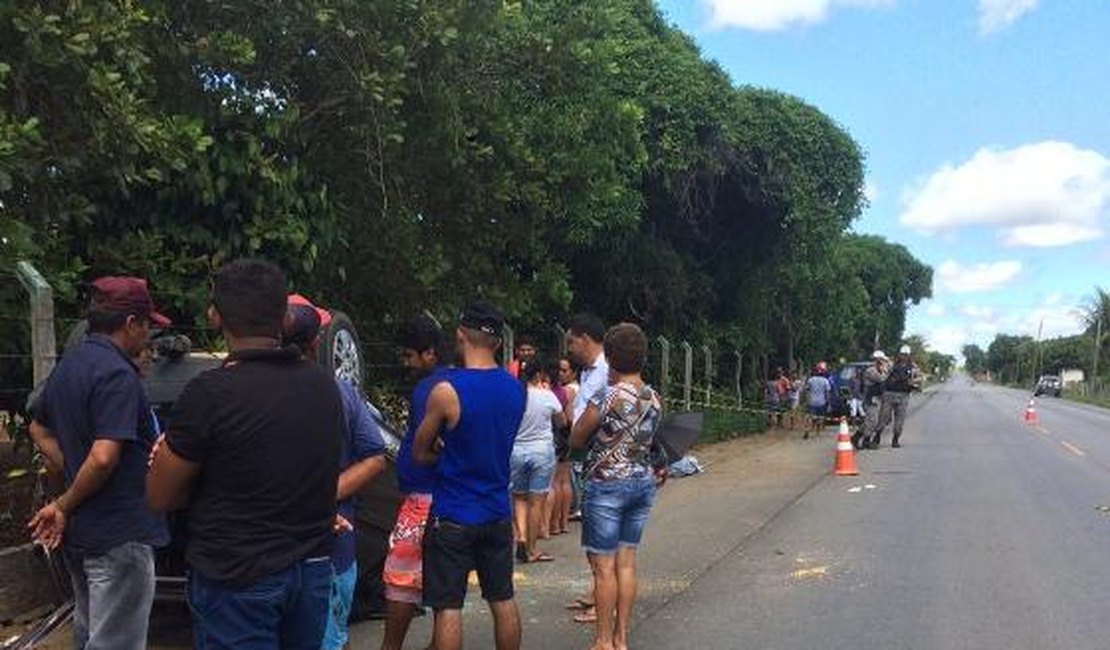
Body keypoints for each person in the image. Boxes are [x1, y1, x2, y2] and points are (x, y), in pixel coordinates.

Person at [147, 259, 345, 649]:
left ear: (214, 316)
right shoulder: (323, 387)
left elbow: (160, 495)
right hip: (310, 571)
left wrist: (176, 460)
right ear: (285, 317)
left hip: (237, 576)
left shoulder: (209, 394)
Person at [26, 276, 171, 650]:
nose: (148, 336)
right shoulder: (118, 375)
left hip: (84, 534)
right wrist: (64, 502)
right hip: (120, 534)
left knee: (91, 635)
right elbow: (105, 457)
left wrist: (72, 473)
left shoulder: (70, 366)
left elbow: (38, 428)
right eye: (147, 325)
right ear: (130, 324)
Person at [412, 300, 527, 650]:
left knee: (448, 607)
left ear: (460, 334)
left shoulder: (446, 391)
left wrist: (444, 454)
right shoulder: (516, 389)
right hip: (496, 510)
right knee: (502, 599)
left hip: (454, 512)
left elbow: (419, 452)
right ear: (496, 343)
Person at [282, 296, 387, 650]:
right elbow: (375, 457)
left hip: (261, 549)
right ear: (317, 341)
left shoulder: (235, 390)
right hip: (331, 542)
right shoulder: (341, 394)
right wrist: (326, 497)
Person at [570, 323, 665, 650]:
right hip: (642, 483)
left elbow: (577, 436)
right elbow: (650, 442)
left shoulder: (606, 395)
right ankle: (622, 639)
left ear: (609, 357)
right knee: (626, 562)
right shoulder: (654, 398)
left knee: (603, 567)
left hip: (607, 484)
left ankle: (602, 641)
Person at [380, 315, 450, 650]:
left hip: (423, 499)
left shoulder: (429, 390)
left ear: (430, 353)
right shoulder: (452, 383)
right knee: (440, 584)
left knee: (401, 578)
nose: (406, 363)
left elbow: (437, 444)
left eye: (410, 355)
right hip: (442, 498)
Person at [563, 313, 610, 624]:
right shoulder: (588, 372)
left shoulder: (606, 371)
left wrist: (575, 439)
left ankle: (604, 604)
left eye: (571, 341)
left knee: (602, 542)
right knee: (593, 536)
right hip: (587, 458)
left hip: (597, 456)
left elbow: (595, 419)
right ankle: (597, 593)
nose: (568, 348)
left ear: (585, 338)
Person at [511, 360, 566, 563]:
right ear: (538, 376)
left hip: (516, 450)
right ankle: (532, 549)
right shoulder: (547, 395)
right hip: (542, 451)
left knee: (518, 497)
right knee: (536, 502)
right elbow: (562, 421)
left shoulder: (516, 396)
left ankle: (522, 537)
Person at [545, 357, 578, 537]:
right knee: (565, 482)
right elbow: (570, 419)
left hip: (552, 438)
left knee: (553, 484)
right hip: (565, 437)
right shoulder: (565, 393)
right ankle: (563, 522)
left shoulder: (547, 392)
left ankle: (552, 524)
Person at [866, 344, 921, 449]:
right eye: (902, 354)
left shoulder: (913, 366)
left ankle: (895, 439)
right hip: (889, 394)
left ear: (909, 355)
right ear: (899, 354)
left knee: (899, 419)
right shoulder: (892, 365)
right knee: (884, 418)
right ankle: (877, 437)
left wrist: (912, 382)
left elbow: (919, 378)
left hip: (903, 395)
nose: (904, 356)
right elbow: (883, 374)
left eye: (906, 354)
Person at [852, 351, 889, 450]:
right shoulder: (871, 371)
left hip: (878, 397)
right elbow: (882, 379)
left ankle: (857, 437)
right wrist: (885, 370)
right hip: (871, 398)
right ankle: (866, 440)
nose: (883, 362)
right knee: (872, 421)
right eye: (881, 360)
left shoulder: (879, 370)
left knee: (870, 421)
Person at [803, 364, 832, 439]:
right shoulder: (825, 381)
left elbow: (807, 391)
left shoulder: (810, 380)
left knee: (809, 417)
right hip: (821, 402)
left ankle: (807, 430)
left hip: (811, 401)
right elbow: (827, 393)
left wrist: (806, 400)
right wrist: (829, 404)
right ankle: (817, 433)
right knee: (820, 417)